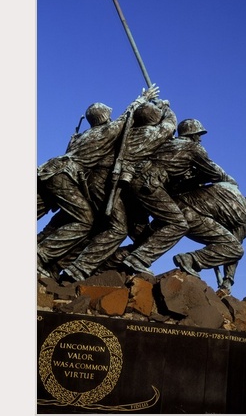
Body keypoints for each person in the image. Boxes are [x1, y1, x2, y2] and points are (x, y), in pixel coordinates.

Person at [36, 85, 159, 277]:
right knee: (85, 220)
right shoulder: (106, 131)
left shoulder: (83, 135)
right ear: (105, 117)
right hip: (63, 175)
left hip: (50, 170)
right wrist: (143, 99)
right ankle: (40, 255)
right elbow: (126, 117)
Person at [58, 96, 177, 281]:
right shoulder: (149, 134)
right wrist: (166, 108)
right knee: (118, 229)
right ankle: (80, 267)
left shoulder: (124, 132)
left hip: (103, 181)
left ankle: (76, 265)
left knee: (105, 227)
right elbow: (170, 125)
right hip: (107, 182)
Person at [118, 118, 237, 274]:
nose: (200, 139)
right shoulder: (194, 148)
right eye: (198, 135)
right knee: (179, 224)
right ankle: (138, 259)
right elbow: (214, 172)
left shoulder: (169, 144)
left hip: (134, 180)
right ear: (192, 134)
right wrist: (227, 181)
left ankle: (114, 260)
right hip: (149, 184)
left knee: (145, 234)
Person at [172, 185, 246, 295]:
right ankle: (190, 259)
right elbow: (233, 249)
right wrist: (228, 280)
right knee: (237, 250)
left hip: (176, 206)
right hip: (194, 219)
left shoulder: (230, 189)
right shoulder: (244, 221)